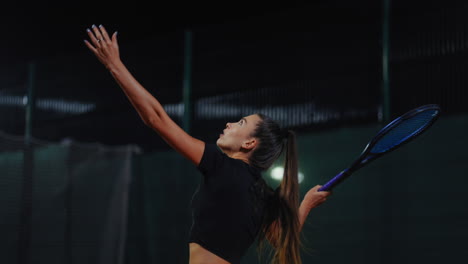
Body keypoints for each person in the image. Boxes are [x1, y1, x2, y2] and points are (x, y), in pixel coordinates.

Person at [84, 24, 332, 264]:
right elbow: (282, 241)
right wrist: (306, 204)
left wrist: (115, 65)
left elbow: (156, 118)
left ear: (249, 143)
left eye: (241, 122)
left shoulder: (224, 167)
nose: (229, 123)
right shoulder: (263, 195)